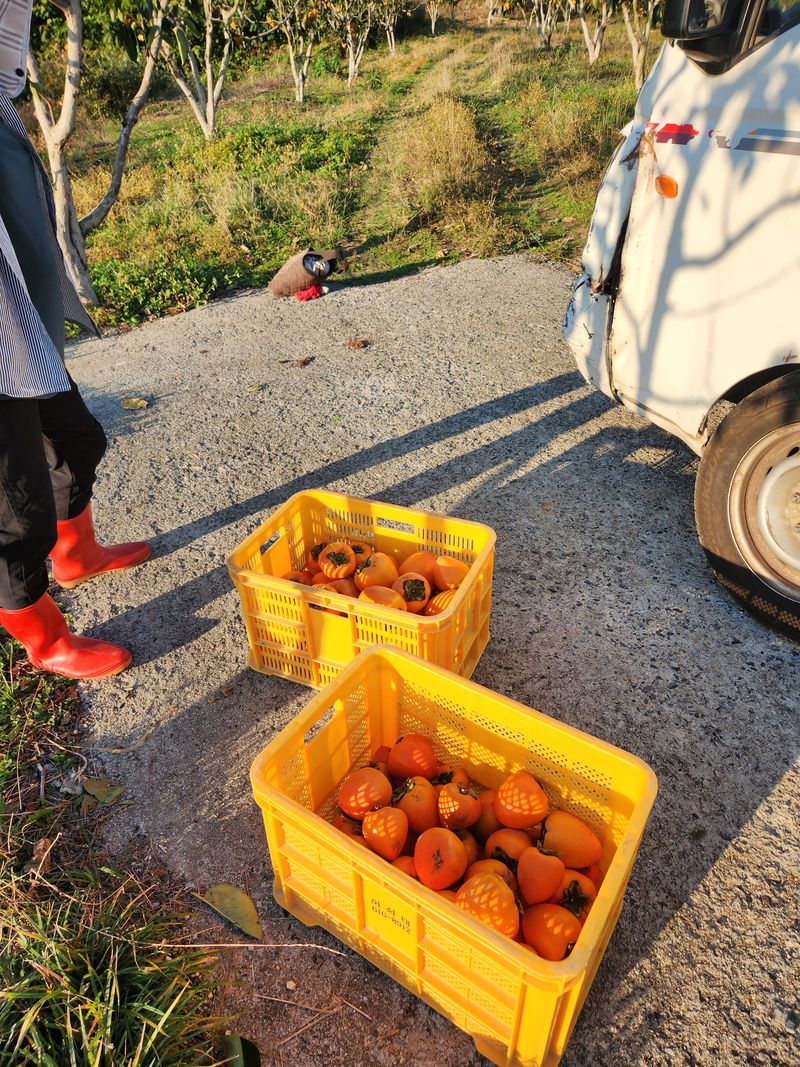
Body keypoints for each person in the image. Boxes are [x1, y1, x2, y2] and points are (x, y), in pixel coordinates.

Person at [0, 1, 149, 679]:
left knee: (76, 438)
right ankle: (43, 638)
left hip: (12, 308)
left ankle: (76, 554)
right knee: (14, 507)